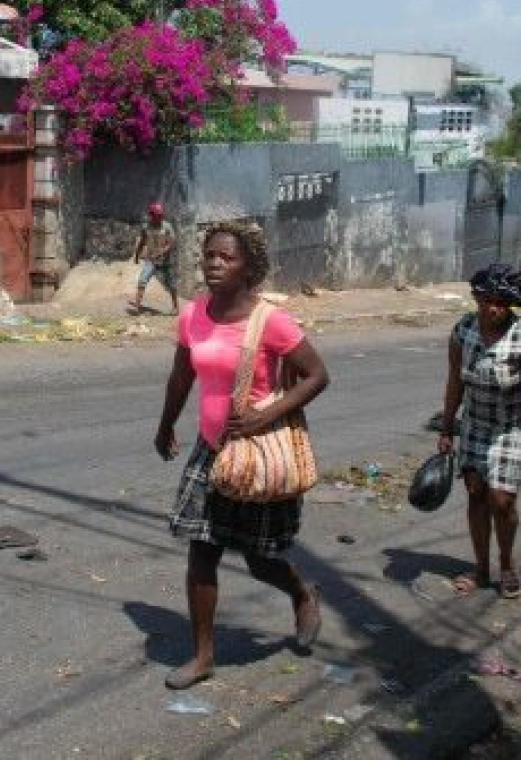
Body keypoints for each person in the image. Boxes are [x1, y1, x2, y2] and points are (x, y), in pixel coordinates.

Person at [153, 221, 330, 690]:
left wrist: (263, 416)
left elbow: (316, 375)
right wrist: (166, 423)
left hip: (255, 452)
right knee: (201, 550)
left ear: (247, 266)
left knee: (258, 558)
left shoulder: (269, 320)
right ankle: (204, 656)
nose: (214, 264)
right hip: (210, 451)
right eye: (209, 255)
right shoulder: (192, 315)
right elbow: (180, 377)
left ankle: (301, 593)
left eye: (226, 258)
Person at [436, 264, 521, 599]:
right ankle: (481, 569)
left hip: (514, 427)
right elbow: (454, 382)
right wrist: (448, 427)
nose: (492, 308)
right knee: (476, 493)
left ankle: (506, 563)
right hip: (476, 422)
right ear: (477, 298)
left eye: (500, 302)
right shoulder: (463, 330)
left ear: (511, 304)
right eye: (486, 300)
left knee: (502, 500)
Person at [129, 201, 179, 315]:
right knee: (142, 281)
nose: (160, 218)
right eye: (157, 216)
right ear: (151, 215)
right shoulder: (146, 227)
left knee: (171, 284)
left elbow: (171, 243)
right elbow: (142, 241)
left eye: (161, 215)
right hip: (151, 260)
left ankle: (175, 307)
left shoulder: (167, 226)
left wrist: (162, 252)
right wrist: (136, 255)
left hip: (166, 261)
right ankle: (136, 307)